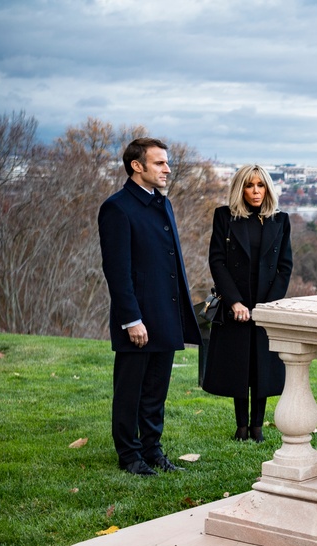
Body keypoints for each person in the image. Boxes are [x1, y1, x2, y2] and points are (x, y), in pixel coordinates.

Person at [98, 137, 202, 476]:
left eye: (166, 162)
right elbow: (117, 270)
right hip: (139, 319)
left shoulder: (163, 203)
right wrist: (131, 319)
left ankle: (152, 450)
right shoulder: (117, 207)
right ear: (137, 166)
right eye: (159, 163)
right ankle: (129, 456)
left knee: (156, 391)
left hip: (166, 313)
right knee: (130, 391)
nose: (168, 169)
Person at [202, 165, 293, 442]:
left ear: (268, 189)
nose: (255, 191)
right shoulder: (224, 217)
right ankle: (241, 427)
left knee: (262, 365)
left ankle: (257, 427)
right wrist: (235, 302)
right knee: (239, 364)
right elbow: (217, 261)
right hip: (236, 305)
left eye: (260, 185)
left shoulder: (280, 220)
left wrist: (267, 307)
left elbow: (284, 266)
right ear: (240, 188)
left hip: (265, 304)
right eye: (249, 185)